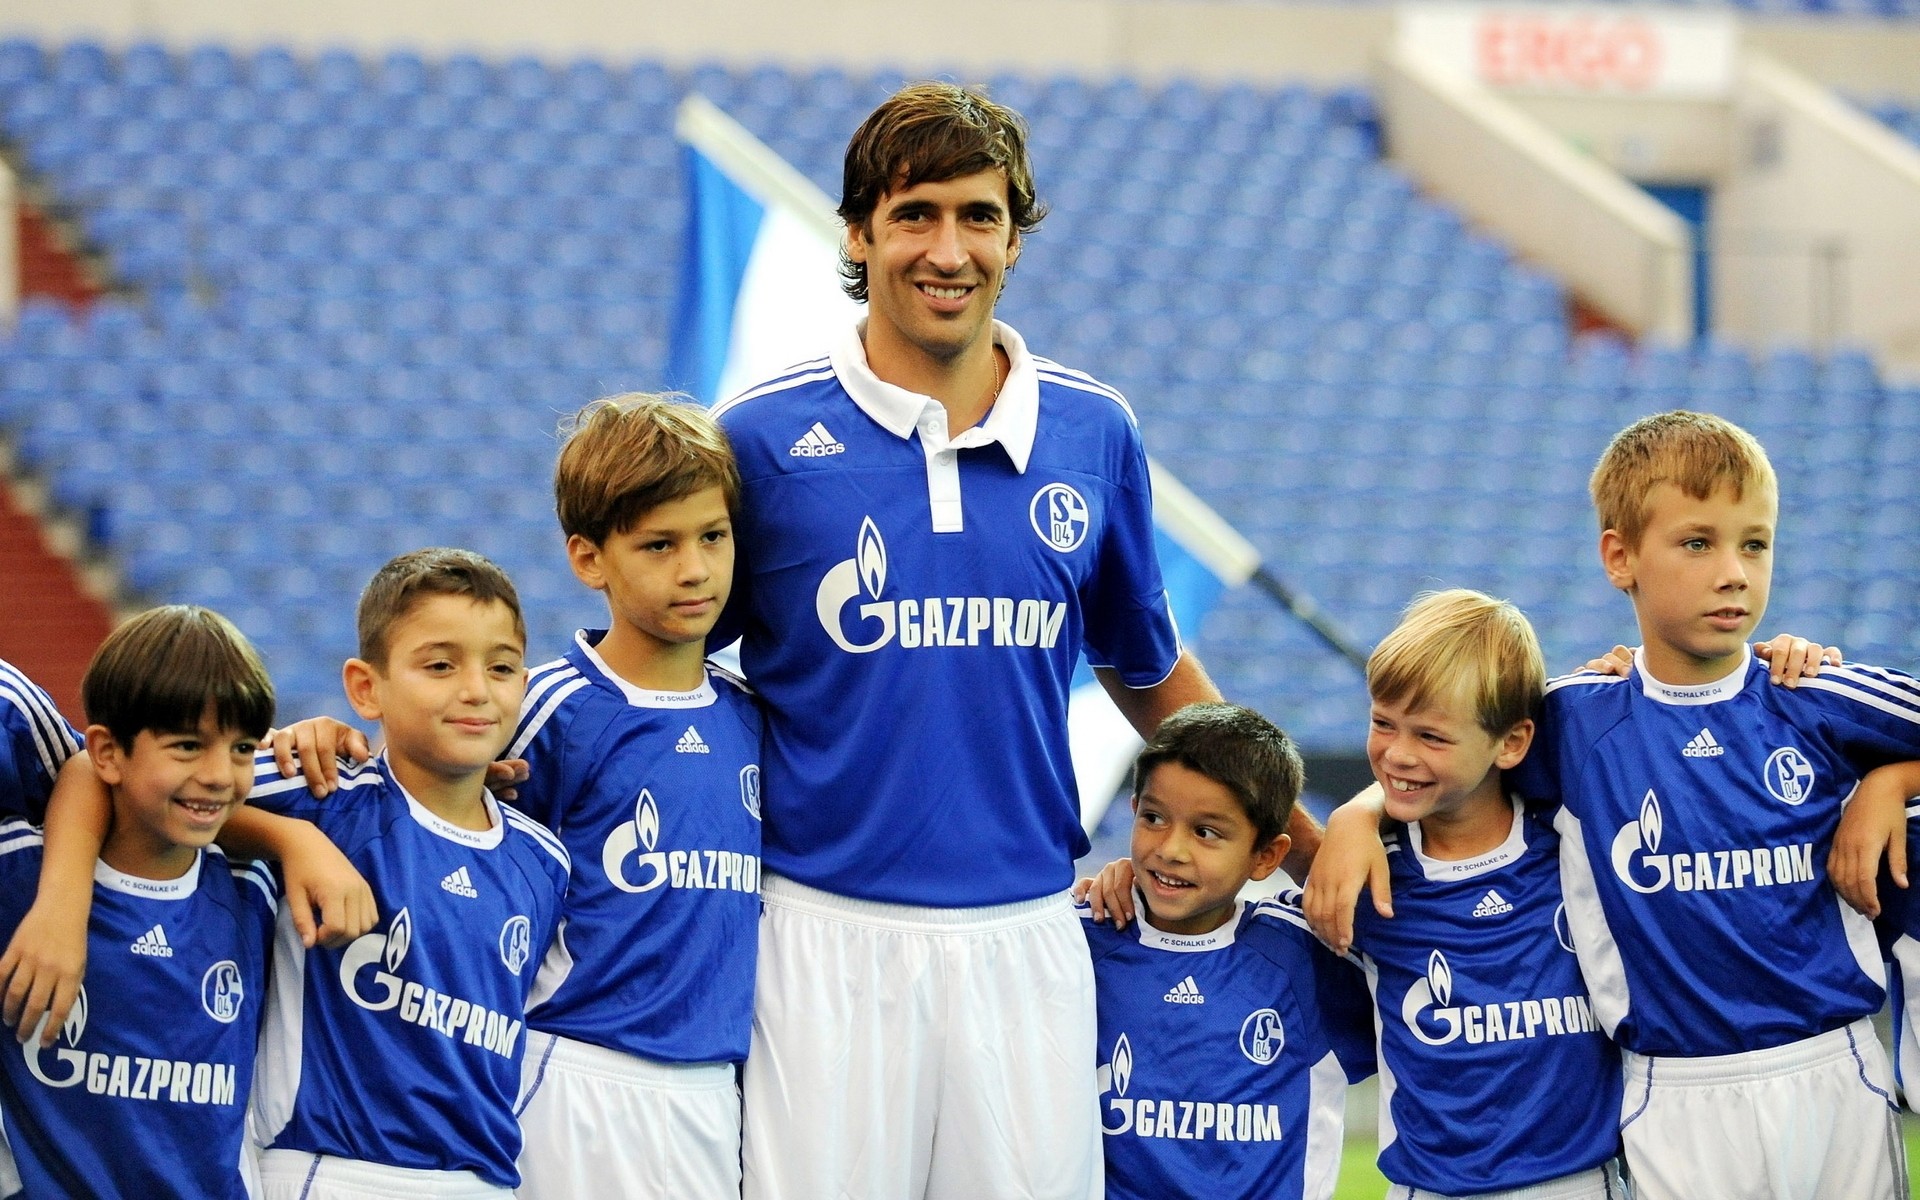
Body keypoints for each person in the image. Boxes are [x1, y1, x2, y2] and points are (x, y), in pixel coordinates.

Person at [710, 80, 1317, 1199]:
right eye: (917, 214)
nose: (949, 249)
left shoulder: (1094, 430)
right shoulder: (756, 440)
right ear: (858, 234)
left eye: (979, 216)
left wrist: (1318, 851)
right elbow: (668, 666)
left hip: (1027, 934)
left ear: (1015, 236)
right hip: (819, 936)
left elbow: (1147, 670)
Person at [1308, 411, 1920, 1199]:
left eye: (1755, 544)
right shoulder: (1575, 721)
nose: (1734, 571)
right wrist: (1362, 815)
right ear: (1619, 556)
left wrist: (1890, 783)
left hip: (1831, 1068)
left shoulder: (1819, 696)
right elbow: (1454, 753)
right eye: (1698, 543)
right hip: (1671, 1091)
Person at [245, 549, 569, 1199]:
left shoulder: (544, 859)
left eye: (500, 667)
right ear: (367, 687)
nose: (476, 688)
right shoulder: (320, 793)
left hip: (485, 1181)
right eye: (440, 665)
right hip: (333, 1167)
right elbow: (147, 792)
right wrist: (289, 836)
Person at [502, 394, 760, 1199]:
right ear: (589, 559)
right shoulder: (546, 711)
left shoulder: (755, 719)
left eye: (713, 538)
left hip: (713, 1093)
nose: (695, 569)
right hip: (579, 1075)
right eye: (659, 545)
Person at [1352, 590, 1624, 1198]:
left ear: (1512, 742)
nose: (1397, 753)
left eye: (1432, 736)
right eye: (1382, 723)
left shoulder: (1580, 848)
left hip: (1579, 1184)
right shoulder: (1365, 879)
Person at [0, 607, 278, 1198]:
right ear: (107, 753)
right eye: (186, 746)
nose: (219, 775)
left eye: (242, 748)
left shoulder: (257, 895)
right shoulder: (17, 876)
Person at [1080, 702, 1372, 1200]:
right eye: (1153, 818)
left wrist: (1365, 812)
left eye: (1206, 832)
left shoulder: (1308, 956)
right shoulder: (1081, 941)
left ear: (1266, 857)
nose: (1170, 849)